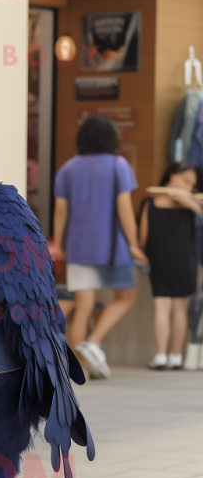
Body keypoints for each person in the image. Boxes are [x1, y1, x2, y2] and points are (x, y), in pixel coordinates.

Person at [53, 116, 148, 378]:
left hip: (78, 247)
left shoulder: (68, 168)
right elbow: (124, 207)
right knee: (126, 297)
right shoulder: (119, 165)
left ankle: (76, 369)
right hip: (112, 249)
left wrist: (59, 244)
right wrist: (134, 244)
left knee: (84, 305)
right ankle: (93, 343)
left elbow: (61, 211)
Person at [139, 162, 202, 369]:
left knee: (176, 308)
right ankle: (165, 356)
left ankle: (171, 357)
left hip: (181, 261)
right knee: (166, 307)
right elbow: (143, 236)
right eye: (185, 181)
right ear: (172, 176)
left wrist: (193, 205)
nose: (188, 188)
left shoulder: (191, 204)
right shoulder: (150, 201)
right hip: (164, 260)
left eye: (192, 185)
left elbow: (143, 237)